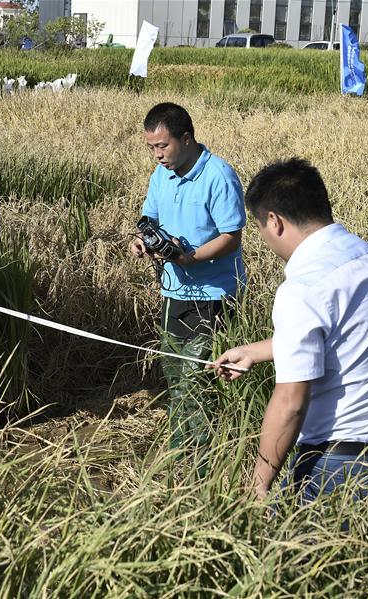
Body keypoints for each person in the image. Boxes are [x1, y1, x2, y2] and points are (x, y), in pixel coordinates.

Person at [212, 158, 368, 503]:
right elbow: (348, 334)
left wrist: (258, 486)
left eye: (260, 229)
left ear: (274, 221)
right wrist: (256, 352)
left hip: (342, 466)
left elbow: (291, 403)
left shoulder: (302, 286)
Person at [129, 102, 246, 473]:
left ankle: (204, 462)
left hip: (213, 295)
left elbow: (231, 237)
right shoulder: (160, 176)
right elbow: (150, 219)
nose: (157, 155)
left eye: (162, 146)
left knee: (199, 380)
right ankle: (183, 448)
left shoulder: (218, 176)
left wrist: (191, 257)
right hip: (173, 293)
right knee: (176, 376)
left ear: (186, 138)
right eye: (151, 148)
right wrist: (143, 241)